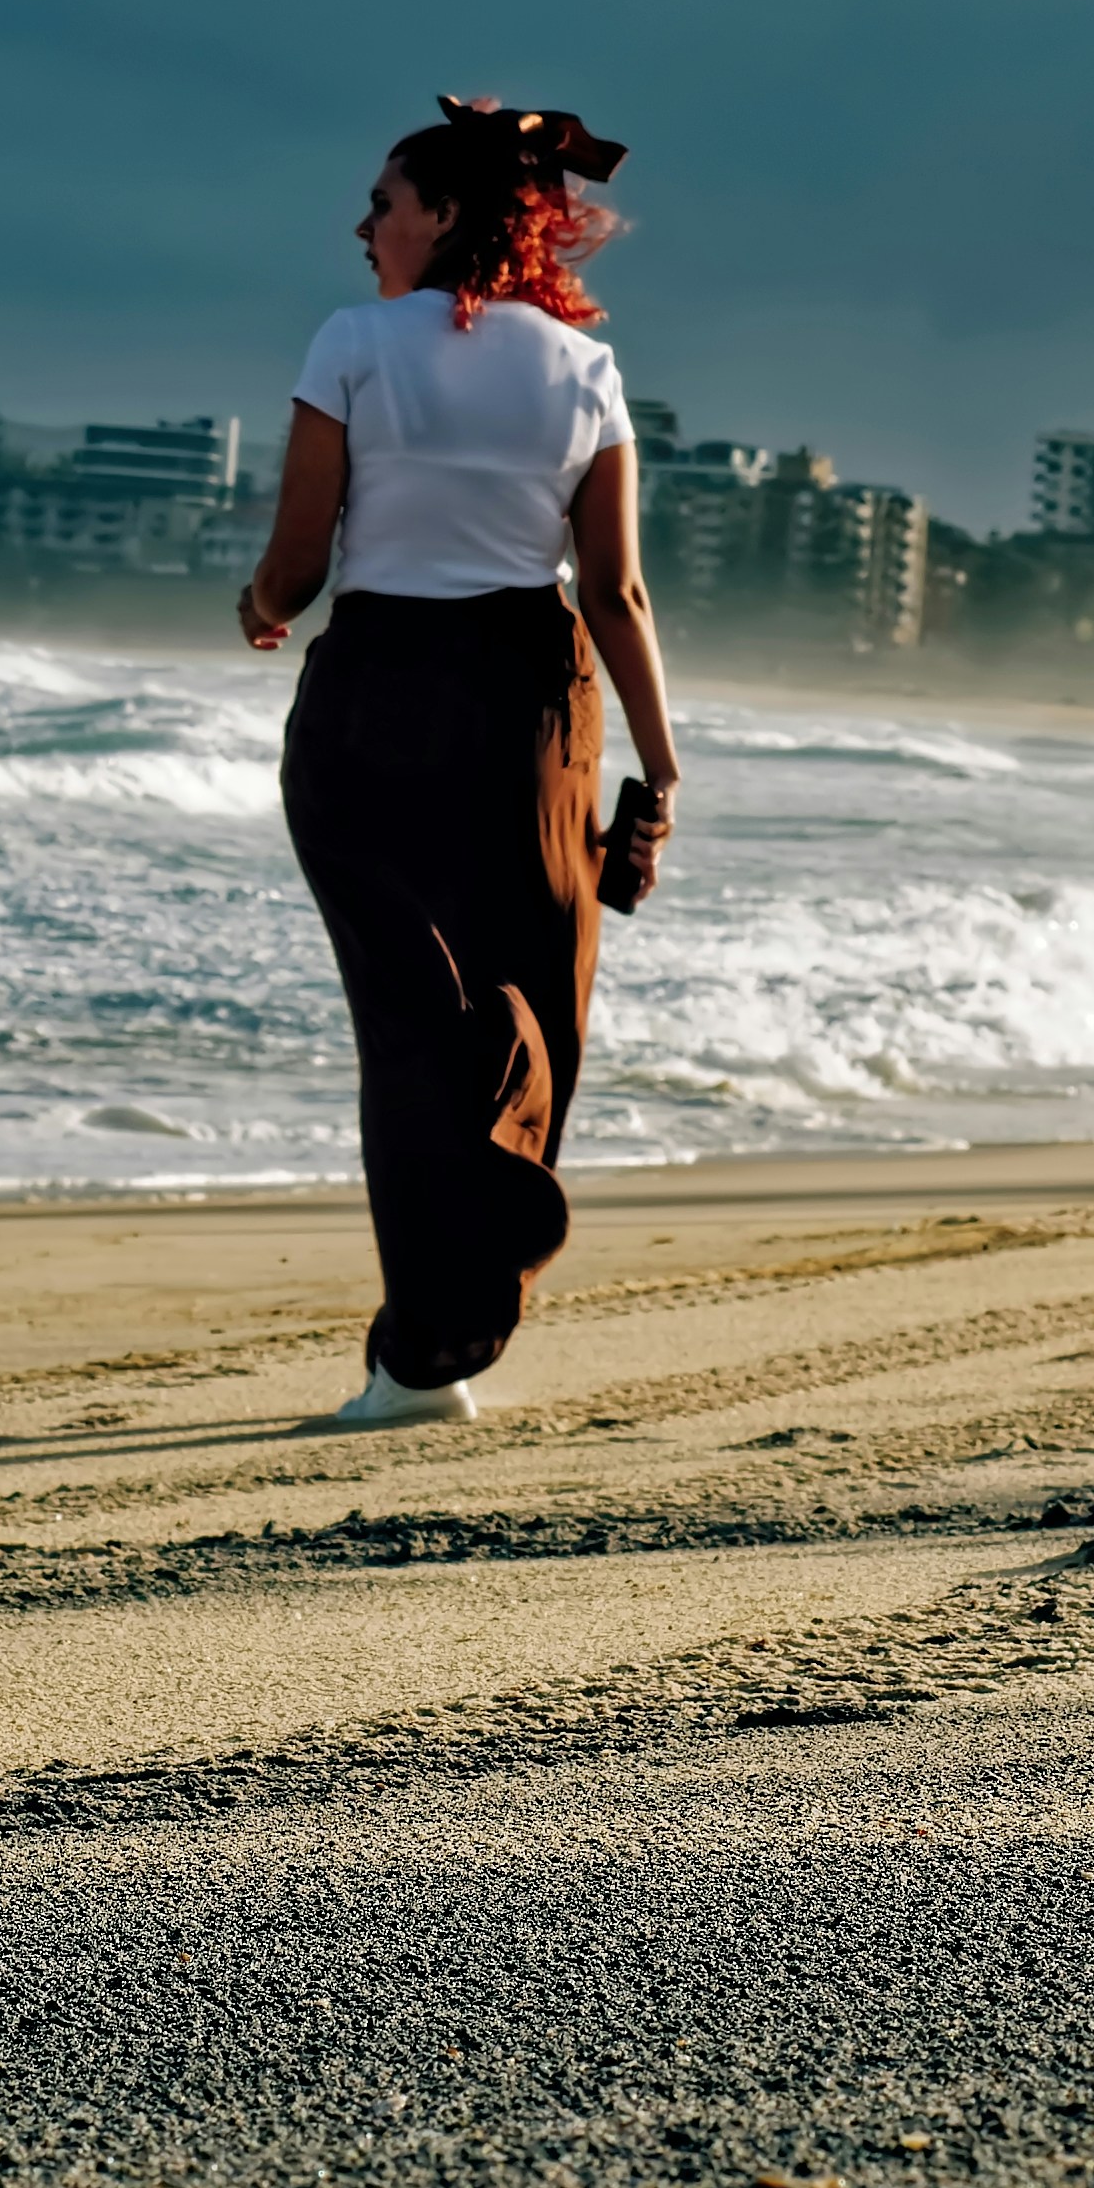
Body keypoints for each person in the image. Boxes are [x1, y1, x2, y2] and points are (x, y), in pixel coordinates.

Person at [237, 98, 679, 1430]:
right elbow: (617, 595)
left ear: (446, 216)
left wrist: (260, 605)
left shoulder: (355, 343)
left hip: (377, 700)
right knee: (526, 1000)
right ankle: (451, 1324)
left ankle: (423, 1359)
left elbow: (303, 558)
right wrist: (659, 771)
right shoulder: (585, 367)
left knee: (406, 1018)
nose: (364, 226)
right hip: (532, 710)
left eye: (386, 202)